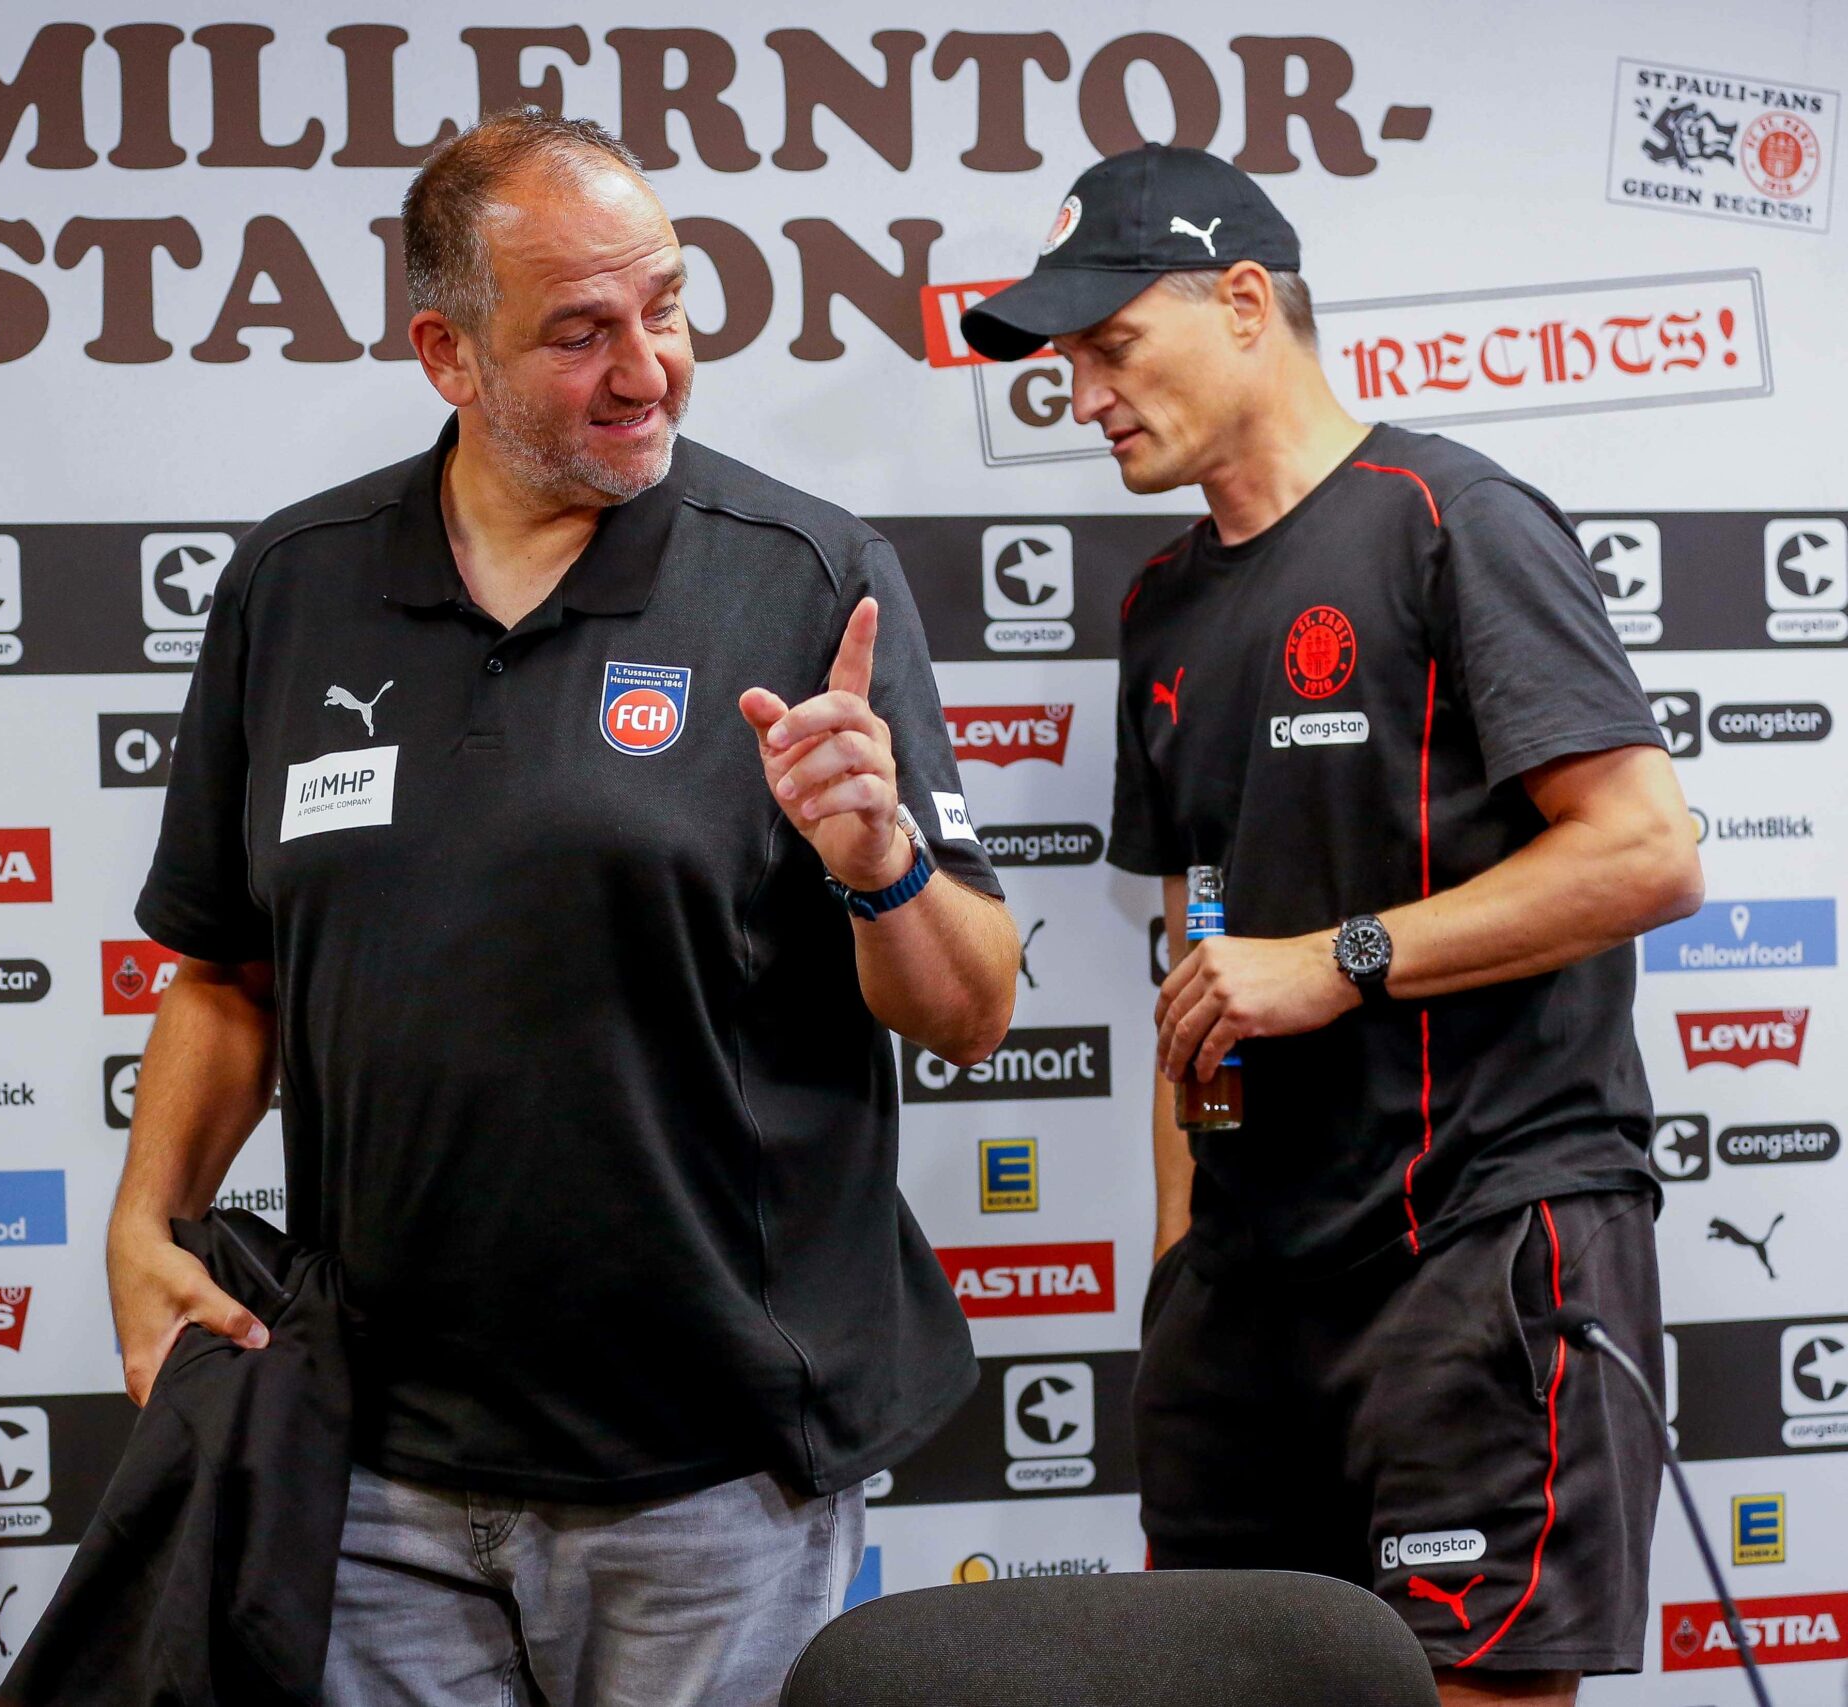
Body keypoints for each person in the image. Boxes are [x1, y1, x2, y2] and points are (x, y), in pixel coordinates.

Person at [113, 109, 1020, 1705]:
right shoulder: (294, 584)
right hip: (373, 1462)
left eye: (666, 307)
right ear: (446, 354)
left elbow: (971, 1003)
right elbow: (227, 972)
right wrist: (141, 1221)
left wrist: (877, 859)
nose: (647, 368)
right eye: (580, 332)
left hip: (710, 1474)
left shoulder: (804, 575)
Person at [963, 145, 1702, 1705]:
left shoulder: (1455, 518)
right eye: (1065, 362)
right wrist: (1178, 1266)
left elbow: (1645, 851)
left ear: (1245, 301)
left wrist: (1345, 957)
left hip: (1476, 1244)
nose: (1083, 393)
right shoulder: (1158, 598)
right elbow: (1200, 938)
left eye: (1111, 344)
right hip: (1248, 1287)